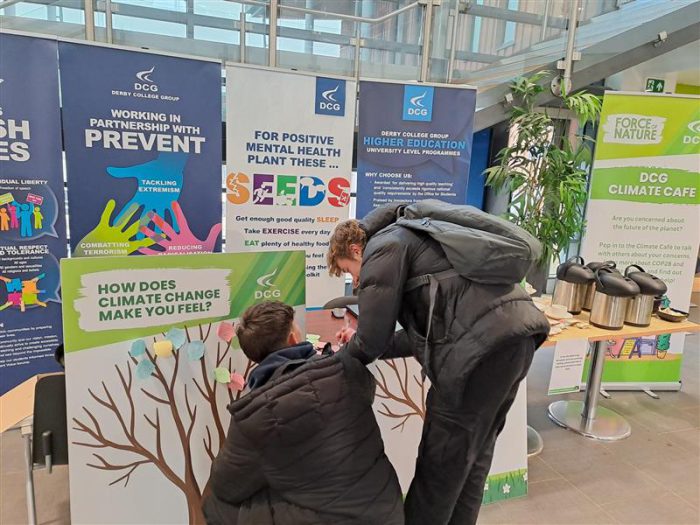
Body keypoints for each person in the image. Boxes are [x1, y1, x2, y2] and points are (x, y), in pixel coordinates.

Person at [328, 202, 550, 525]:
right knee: (474, 461)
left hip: (477, 357)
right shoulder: (418, 236)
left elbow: (371, 339)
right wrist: (360, 344)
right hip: (517, 340)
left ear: (354, 248)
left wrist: (337, 361)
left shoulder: (382, 246)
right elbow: (425, 335)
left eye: (349, 270)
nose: (356, 280)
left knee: (439, 471)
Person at [203, 301, 403, 525]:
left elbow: (226, 486)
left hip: (327, 515)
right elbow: (366, 391)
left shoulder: (252, 416)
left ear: (253, 356)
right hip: (386, 509)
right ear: (293, 338)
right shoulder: (345, 367)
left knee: (216, 507)